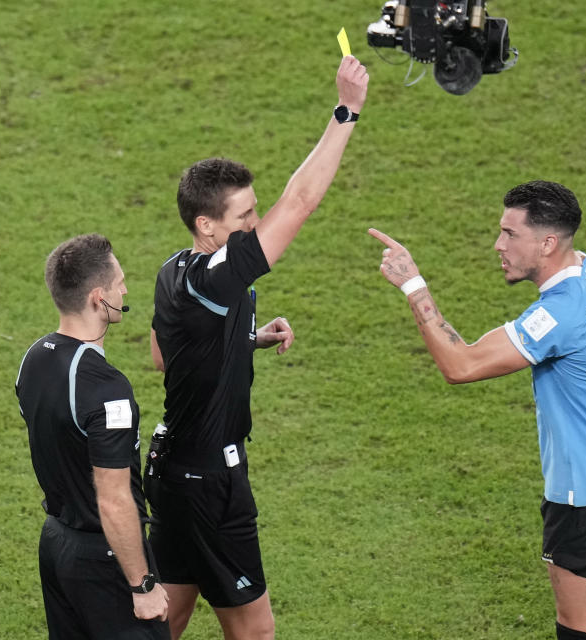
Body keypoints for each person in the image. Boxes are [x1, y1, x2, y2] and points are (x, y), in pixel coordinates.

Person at [368, 180, 586, 640]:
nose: (498, 245)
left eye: (510, 234)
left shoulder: (559, 316)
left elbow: (461, 365)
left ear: (547, 243)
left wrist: (412, 283)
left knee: (579, 631)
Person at [146, 55, 369, 640]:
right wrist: (345, 112)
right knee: (255, 633)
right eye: (244, 216)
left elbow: (164, 356)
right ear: (207, 227)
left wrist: (244, 339)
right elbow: (299, 203)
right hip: (211, 482)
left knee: (168, 618)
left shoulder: (175, 271)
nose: (255, 223)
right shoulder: (217, 278)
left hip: (172, 472)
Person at [15, 234, 170, 640]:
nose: (125, 289)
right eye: (119, 282)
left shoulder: (33, 359)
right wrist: (142, 585)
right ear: (98, 298)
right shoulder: (105, 387)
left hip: (56, 543)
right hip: (105, 558)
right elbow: (114, 499)